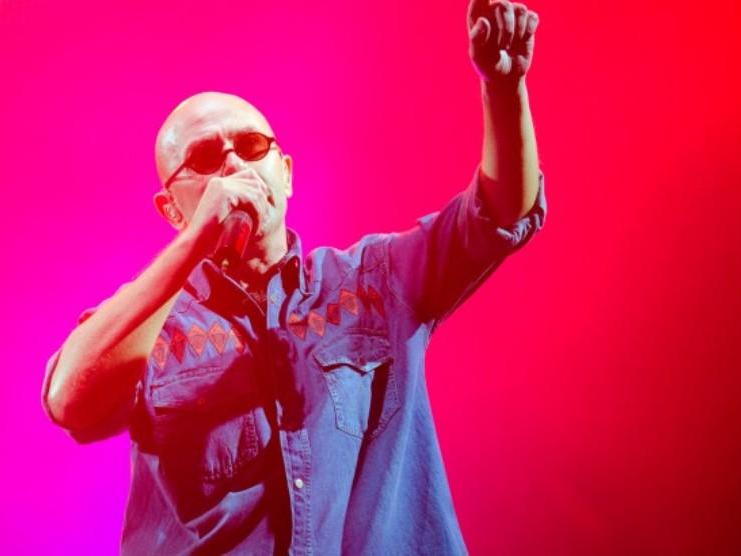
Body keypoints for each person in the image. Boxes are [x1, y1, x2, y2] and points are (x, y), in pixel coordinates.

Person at [41, 1, 547, 553]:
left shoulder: (374, 280)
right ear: (172, 210)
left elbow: (501, 213)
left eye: (252, 146)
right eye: (206, 157)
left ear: (284, 175)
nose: (234, 165)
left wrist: (503, 91)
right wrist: (197, 240)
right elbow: (70, 401)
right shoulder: (150, 321)